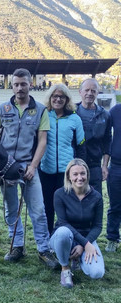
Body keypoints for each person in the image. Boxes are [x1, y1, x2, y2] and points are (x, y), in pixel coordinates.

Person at [0, 68, 58, 269]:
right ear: (12, 86)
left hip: (29, 166)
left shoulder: (40, 110)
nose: (20, 88)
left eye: (23, 84)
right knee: (12, 210)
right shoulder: (2, 109)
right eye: (16, 84)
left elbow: (43, 142)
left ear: (30, 84)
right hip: (7, 168)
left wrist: (33, 166)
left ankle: (44, 250)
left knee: (38, 210)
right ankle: (16, 246)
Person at [50, 158, 105, 288]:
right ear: (69, 176)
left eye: (82, 173)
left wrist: (85, 244)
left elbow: (98, 226)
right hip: (63, 237)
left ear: (87, 175)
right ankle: (65, 268)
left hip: (86, 237)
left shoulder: (96, 197)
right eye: (75, 174)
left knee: (97, 273)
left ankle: (78, 259)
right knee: (63, 232)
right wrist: (85, 244)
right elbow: (63, 222)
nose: (79, 177)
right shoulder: (60, 194)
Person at [39, 83, 85, 234]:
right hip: (46, 170)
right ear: (50, 98)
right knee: (47, 205)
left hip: (66, 172)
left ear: (66, 99)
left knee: (65, 206)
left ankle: (63, 237)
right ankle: (47, 239)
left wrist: (79, 168)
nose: (58, 99)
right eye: (55, 96)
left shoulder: (75, 118)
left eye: (61, 97)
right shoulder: (43, 115)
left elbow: (81, 145)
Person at [76, 78, 112, 194]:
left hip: (95, 166)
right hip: (74, 165)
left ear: (97, 93)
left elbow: (107, 141)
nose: (90, 93)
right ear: (80, 92)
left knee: (95, 200)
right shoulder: (71, 112)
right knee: (75, 201)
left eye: (93, 91)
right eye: (87, 90)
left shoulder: (105, 115)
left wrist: (105, 166)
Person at [105, 103, 121, 252]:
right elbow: (107, 136)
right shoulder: (115, 111)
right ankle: (112, 238)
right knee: (115, 205)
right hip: (117, 166)